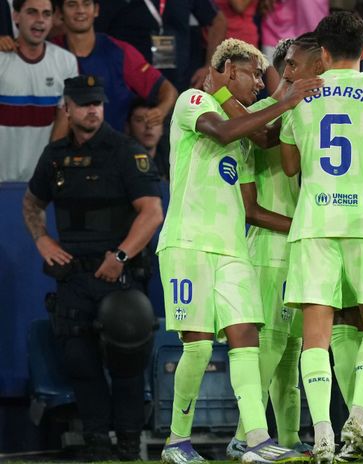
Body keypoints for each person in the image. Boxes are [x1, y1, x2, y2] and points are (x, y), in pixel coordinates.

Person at [156, 38, 321, 464]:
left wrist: (290, 90)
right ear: (229, 69)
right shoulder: (192, 100)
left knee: (246, 338)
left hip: (232, 249)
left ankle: (256, 441)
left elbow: (263, 136)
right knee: (197, 348)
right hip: (188, 243)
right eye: (253, 76)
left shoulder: (243, 131)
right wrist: (285, 101)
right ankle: (177, 441)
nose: (258, 86)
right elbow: (223, 129)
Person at [278, 11, 363, 463]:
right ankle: (358, 416)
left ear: (322, 51)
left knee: (316, 334)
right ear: (362, 49)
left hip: (314, 221)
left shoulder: (302, 96)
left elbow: (291, 166)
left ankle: (320, 435)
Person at [22, 75, 164, 461]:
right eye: (83, 104)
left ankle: (130, 445)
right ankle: (98, 442)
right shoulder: (55, 157)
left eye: (97, 103)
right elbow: (32, 203)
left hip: (119, 279)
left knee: (127, 364)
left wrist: (119, 256)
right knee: (80, 363)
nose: (92, 110)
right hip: (74, 279)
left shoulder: (125, 151)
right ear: (66, 109)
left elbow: (152, 212)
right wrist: (42, 240)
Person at [219, 35, 320, 460]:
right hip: (271, 249)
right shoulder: (259, 119)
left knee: (291, 357)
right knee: (271, 345)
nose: (261, 82)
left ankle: (290, 440)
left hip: (301, 248)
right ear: (289, 71)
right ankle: (247, 437)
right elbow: (251, 210)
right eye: (300, 67)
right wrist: (306, 225)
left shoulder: (318, 114)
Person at [53, 0, 178, 132]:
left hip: (112, 149)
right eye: (72, 5)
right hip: (62, 149)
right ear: (60, 12)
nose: (80, 10)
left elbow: (168, 90)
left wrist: (161, 111)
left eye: (86, 4)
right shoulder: (49, 52)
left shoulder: (119, 52)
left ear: (96, 10)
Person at [1, 0, 76, 183]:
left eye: (46, 14)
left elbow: (63, 117)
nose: (40, 20)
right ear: (16, 16)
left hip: (40, 183)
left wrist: (47, 168)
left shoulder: (66, 62)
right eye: (32, 12)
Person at [96, 0, 227, 91]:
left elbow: (218, 22)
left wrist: (209, 66)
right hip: (132, 87)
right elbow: (97, 33)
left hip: (181, 84)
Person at [127, 98, 166, 178]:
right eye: (140, 120)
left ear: (162, 129)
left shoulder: (172, 165)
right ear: (128, 127)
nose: (149, 126)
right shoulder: (119, 164)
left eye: (155, 120)